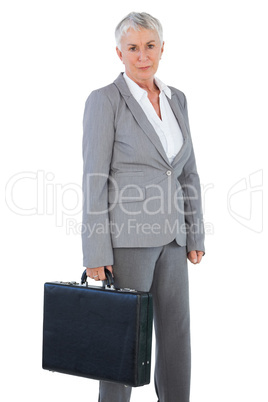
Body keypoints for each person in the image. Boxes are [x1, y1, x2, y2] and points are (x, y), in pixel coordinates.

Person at [82, 11, 205, 402]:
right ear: (119, 52)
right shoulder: (105, 101)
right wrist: (95, 252)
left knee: (176, 337)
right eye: (132, 48)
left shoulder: (177, 100)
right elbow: (93, 181)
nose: (142, 55)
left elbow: (187, 173)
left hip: (173, 239)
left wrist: (195, 231)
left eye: (150, 46)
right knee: (124, 340)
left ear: (162, 48)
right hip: (127, 243)